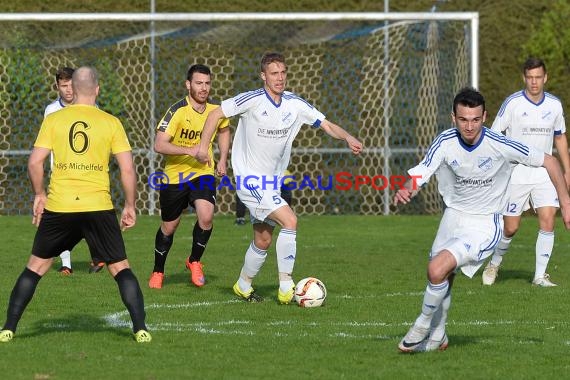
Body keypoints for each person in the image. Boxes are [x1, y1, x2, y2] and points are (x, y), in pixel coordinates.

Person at [393, 87, 570, 353]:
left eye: (475, 119)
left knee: (436, 269)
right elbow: (421, 172)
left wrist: (566, 204)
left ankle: (421, 325)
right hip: (452, 217)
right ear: (453, 118)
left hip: (484, 224)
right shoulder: (444, 141)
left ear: (485, 116)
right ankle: (439, 335)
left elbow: (550, 162)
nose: (469, 126)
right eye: (463, 119)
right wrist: (408, 187)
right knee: (443, 276)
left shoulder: (500, 144)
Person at [195, 52, 363, 303]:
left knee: (262, 239)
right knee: (290, 221)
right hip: (249, 180)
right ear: (263, 76)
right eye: (274, 73)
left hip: (271, 183)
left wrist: (348, 136)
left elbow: (326, 124)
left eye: (283, 72)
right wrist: (202, 146)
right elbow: (215, 114)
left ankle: (243, 285)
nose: (280, 78)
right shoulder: (251, 100)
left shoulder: (294, 104)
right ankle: (287, 286)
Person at [0, 66, 151, 343]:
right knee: (120, 268)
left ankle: (8, 328)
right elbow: (128, 170)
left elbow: (34, 162)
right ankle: (140, 328)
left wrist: (39, 194)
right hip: (98, 205)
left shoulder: (55, 119)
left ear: (74, 89)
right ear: (97, 89)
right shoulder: (111, 122)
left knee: (35, 267)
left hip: (60, 205)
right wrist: (130, 204)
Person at [482, 57, 570, 287]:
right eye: (530, 78)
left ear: (545, 78)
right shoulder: (512, 104)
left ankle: (539, 276)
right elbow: (494, 135)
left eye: (538, 77)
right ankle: (495, 263)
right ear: (524, 78)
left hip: (545, 171)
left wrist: (567, 170)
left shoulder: (554, 105)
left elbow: (560, 137)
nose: (534, 82)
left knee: (548, 219)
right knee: (511, 227)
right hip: (517, 171)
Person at [148, 64, 230, 289]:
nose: (204, 88)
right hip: (175, 176)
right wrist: (190, 150)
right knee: (169, 226)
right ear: (188, 85)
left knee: (206, 216)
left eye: (207, 83)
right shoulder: (177, 111)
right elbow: (159, 144)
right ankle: (158, 271)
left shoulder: (216, 111)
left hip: (203, 173)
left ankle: (194, 261)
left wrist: (222, 158)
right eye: (198, 83)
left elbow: (224, 129)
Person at [44, 67, 76, 275]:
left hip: (86, 172)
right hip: (60, 174)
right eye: (64, 86)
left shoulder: (88, 107)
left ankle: (100, 256)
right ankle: (67, 264)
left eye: (72, 85)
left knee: (92, 215)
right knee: (62, 218)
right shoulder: (51, 110)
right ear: (57, 87)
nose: (68, 90)